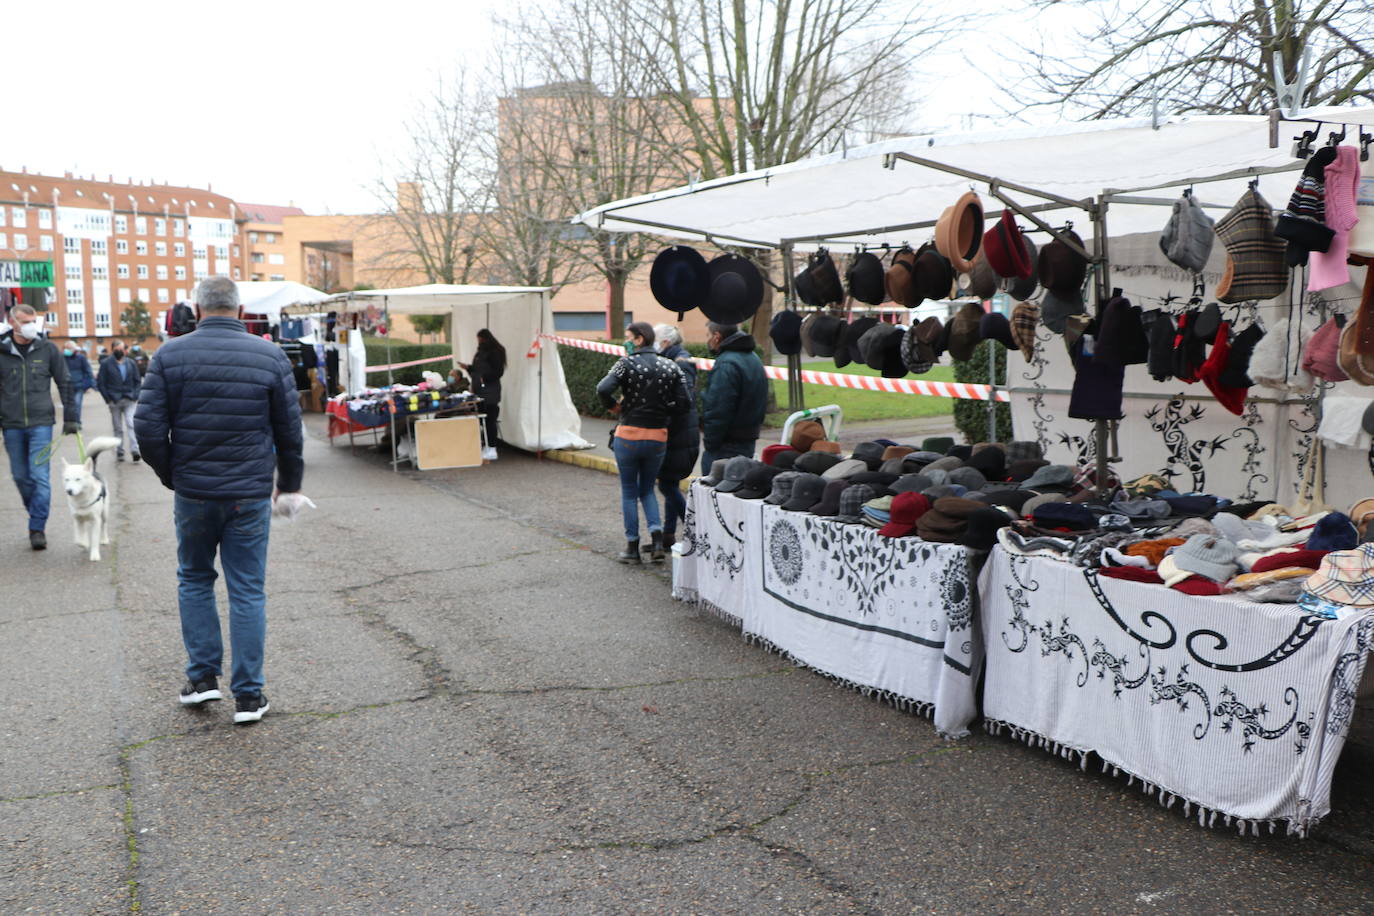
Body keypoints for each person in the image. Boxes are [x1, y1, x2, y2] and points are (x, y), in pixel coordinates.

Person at [134, 276, 304, 725]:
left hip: (194, 492)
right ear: (241, 309)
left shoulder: (169, 354)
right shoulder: (270, 355)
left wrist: (173, 475)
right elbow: (290, 431)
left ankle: (203, 678)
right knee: (247, 589)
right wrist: (289, 484)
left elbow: (147, 428)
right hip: (249, 494)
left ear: (197, 309)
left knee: (194, 578)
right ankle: (248, 696)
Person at [597, 322, 690, 564]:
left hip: (628, 435)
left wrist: (616, 407)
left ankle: (632, 547)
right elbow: (685, 403)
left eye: (629, 337)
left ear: (639, 339)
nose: (626, 342)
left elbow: (602, 388)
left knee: (629, 492)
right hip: (657, 436)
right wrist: (662, 410)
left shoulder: (625, 364)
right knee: (647, 490)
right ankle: (657, 539)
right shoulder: (671, 365)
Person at [0, 305, 78, 549]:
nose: (31, 326)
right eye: (25, 321)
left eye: (33, 321)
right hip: (11, 424)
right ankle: (35, 512)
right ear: (12, 322)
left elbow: (65, 382)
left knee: (39, 477)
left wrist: (71, 417)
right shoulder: (2, 351)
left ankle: (37, 528)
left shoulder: (47, 349)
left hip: (41, 424)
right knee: (21, 477)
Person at [652, 323, 699, 552]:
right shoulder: (673, 359)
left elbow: (684, 399)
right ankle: (669, 534)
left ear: (665, 342)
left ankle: (694, 531)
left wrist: (662, 411)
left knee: (667, 485)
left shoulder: (681, 362)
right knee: (669, 483)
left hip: (680, 434)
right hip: (679, 432)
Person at [699, 321, 767, 473]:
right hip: (747, 440)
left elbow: (718, 409)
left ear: (717, 337)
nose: (707, 340)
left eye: (708, 335)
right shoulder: (753, 358)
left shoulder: (726, 364)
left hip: (726, 445)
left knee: (714, 487)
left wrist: (710, 444)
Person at [460, 329, 505, 461]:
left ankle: (492, 448)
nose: (478, 341)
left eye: (480, 339)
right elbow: (477, 370)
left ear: (485, 338)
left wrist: (483, 378)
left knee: (490, 420)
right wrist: (468, 368)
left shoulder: (495, 352)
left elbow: (498, 372)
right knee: (482, 420)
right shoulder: (480, 353)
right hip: (479, 391)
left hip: (490, 392)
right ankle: (487, 445)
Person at [96, 339, 144, 462]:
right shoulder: (106, 364)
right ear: (112, 350)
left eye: (122, 349)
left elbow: (137, 380)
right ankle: (120, 451)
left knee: (131, 424)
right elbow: (101, 382)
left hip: (129, 399)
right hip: (114, 400)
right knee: (118, 428)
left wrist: (135, 395)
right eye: (117, 349)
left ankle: (135, 450)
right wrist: (108, 399)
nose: (120, 351)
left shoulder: (131, 363)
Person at [63, 343, 97, 424]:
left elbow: (87, 370)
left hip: (79, 386)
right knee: (67, 406)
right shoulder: (62, 358)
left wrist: (89, 383)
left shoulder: (81, 358)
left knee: (77, 404)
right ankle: (68, 423)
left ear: (74, 349)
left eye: (69, 348)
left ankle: (77, 422)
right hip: (67, 386)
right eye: (66, 348)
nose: (67, 350)